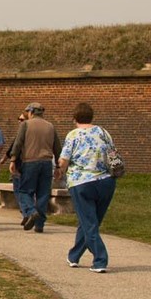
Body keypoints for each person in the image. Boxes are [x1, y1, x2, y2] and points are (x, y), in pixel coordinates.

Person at [55, 103, 118, 272]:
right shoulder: (104, 132)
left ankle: (100, 260)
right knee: (90, 221)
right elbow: (112, 154)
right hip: (106, 181)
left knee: (89, 223)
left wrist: (59, 170)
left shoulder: (73, 135)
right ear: (92, 117)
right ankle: (74, 256)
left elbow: (64, 160)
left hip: (81, 182)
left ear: (74, 118)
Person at [2, 102, 62, 232]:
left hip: (30, 162)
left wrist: (12, 160)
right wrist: (58, 166)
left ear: (31, 112)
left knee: (24, 191)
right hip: (46, 163)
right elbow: (57, 148)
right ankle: (39, 225)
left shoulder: (25, 124)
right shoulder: (50, 126)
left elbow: (18, 143)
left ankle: (31, 211)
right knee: (43, 194)